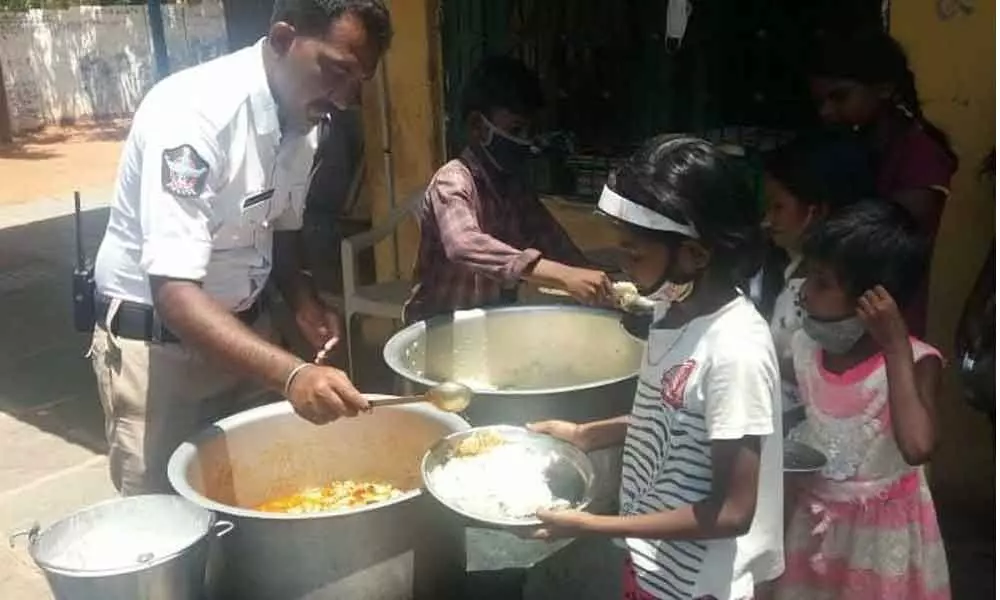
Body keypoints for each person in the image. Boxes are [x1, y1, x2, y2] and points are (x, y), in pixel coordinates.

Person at [89, 0, 392, 496]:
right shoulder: (193, 115)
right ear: (281, 39)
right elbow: (174, 293)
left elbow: (279, 223)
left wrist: (302, 301)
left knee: (255, 498)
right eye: (336, 71)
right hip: (161, 355)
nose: (343, 98)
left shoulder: (306, 122)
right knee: (164, 520)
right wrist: (291, 373)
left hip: (244, 336)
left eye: (358, 81)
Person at [529, 135, 784, 600]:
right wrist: (589, 433)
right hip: (653, 568)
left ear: (696, 255)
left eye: (635, 253)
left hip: (699, 586)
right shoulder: (674, 312)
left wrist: (595, 525)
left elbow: (732, 511)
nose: (623, 265)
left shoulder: (734, 351)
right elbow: (678, 423)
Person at [776, 201, 950, 599]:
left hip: (878, 543)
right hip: (814, 526)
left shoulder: (916, 362)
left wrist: (895, 349)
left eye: (821, 282)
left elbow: (918, 446)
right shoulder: (804, 349)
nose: (804, 291)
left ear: (875, 301)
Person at [403, 56, 612, 323]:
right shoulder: (453, 181)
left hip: (492, 324)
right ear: (477, 127)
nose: (525, 141)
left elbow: (553, 241)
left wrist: (602, 281)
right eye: (515, 129)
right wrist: (562, 275)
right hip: (440, 330)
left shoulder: (515, 188)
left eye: (530, 131)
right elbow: (464, 244)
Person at [807, 30, 958, 336]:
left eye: (839, 97)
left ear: (885, 89)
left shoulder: (921, 155)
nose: (827, 112)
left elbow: (885, 248)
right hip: (837, 320)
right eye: (820, 101)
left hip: (887, 325)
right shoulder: (856, 146)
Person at [756, 133, 873, 430]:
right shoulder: (789, 267)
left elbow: (832, 372)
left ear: (816, 211)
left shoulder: (838, 293)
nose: (767, 220)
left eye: (778, 207)